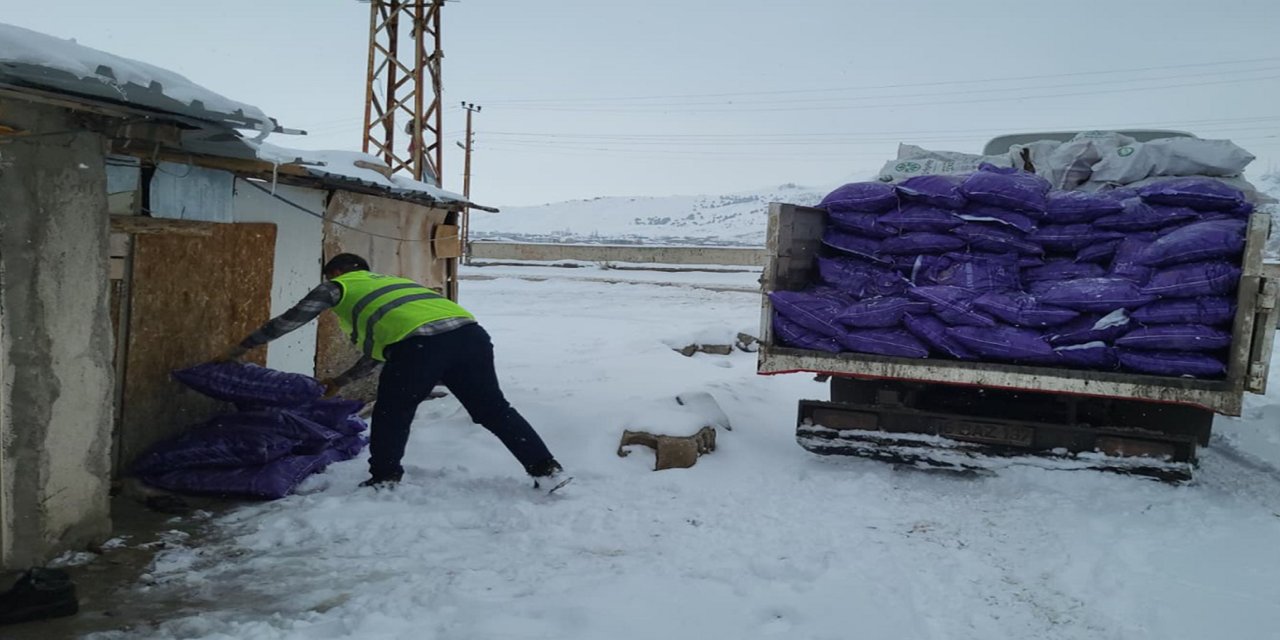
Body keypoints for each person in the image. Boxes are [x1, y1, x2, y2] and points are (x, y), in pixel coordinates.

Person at [221, 253, 567, 491]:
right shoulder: (396, 284)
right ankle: (546, 469)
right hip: (471, 337)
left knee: (392, 411)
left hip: (421, 345)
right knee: (494, 410)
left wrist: (242, 347)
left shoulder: (338, 286)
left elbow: (292, 319)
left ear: (335, 273)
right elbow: (383, 350)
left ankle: (385, 477)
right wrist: (340, 381)